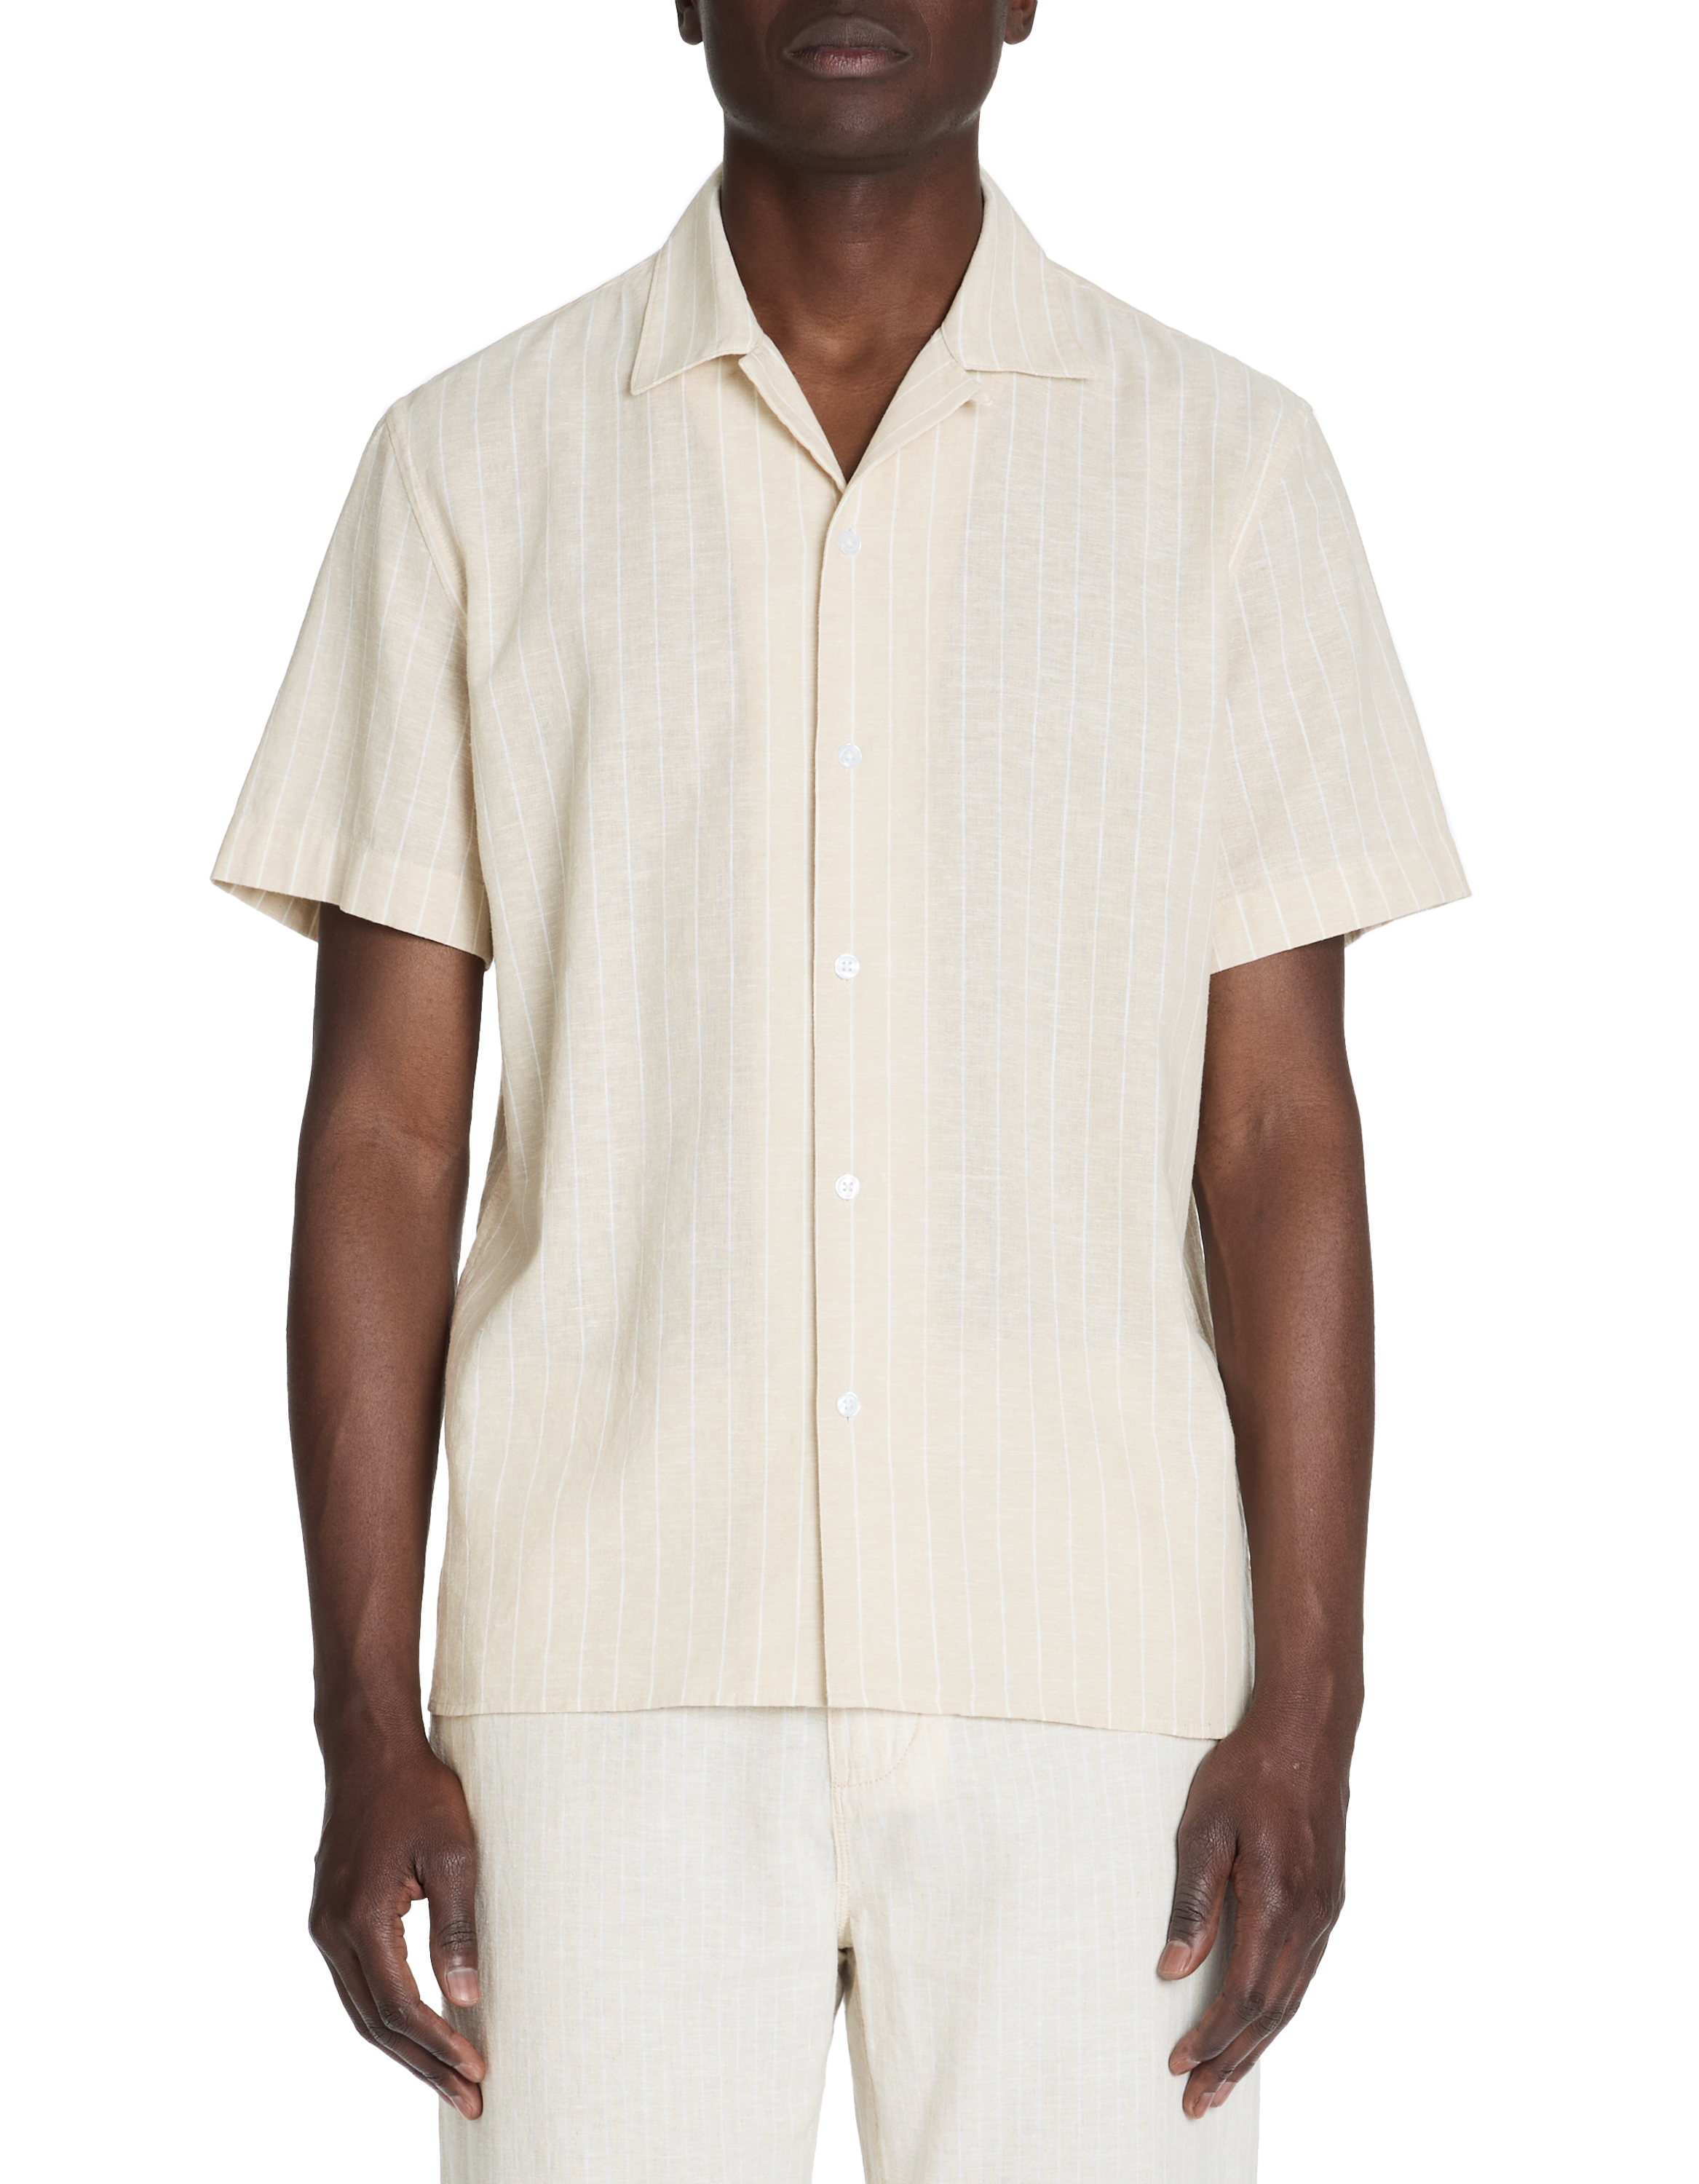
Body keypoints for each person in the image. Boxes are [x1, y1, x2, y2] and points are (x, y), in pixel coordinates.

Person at [213, 4, 1468, 2177]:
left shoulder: (1226, 470)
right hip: (597, 1679)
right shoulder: (471, 466)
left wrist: (1311, 1706)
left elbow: (1279, 1130)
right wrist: (362, 1717)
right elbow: (386, 1139)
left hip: (1105, 1684)